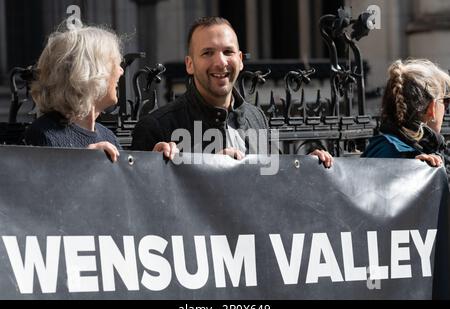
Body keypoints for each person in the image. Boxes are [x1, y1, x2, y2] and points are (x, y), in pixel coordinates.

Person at [131, 16, 333, 168]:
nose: (220, 62)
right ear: (190, 64)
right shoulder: (156, 128)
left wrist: (308, 168)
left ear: (241, 60)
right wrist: (211, 168)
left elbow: (274, 184)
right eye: (207, 53)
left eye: (228, 52)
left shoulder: (256, 118)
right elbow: (145, 208)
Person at [24, 22, 123, 162]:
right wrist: (82, 162)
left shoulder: (108, 136)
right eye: (114, 64)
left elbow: (126, 183)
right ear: (90, 73)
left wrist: (157, 161)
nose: (121, 71)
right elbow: (49, 183)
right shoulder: (44, 134)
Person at [362, 58, 450, 167]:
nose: (446, 109)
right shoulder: (397, 153)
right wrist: (413, 169)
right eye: (445, 101)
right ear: (431, 108)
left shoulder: (384, 146)